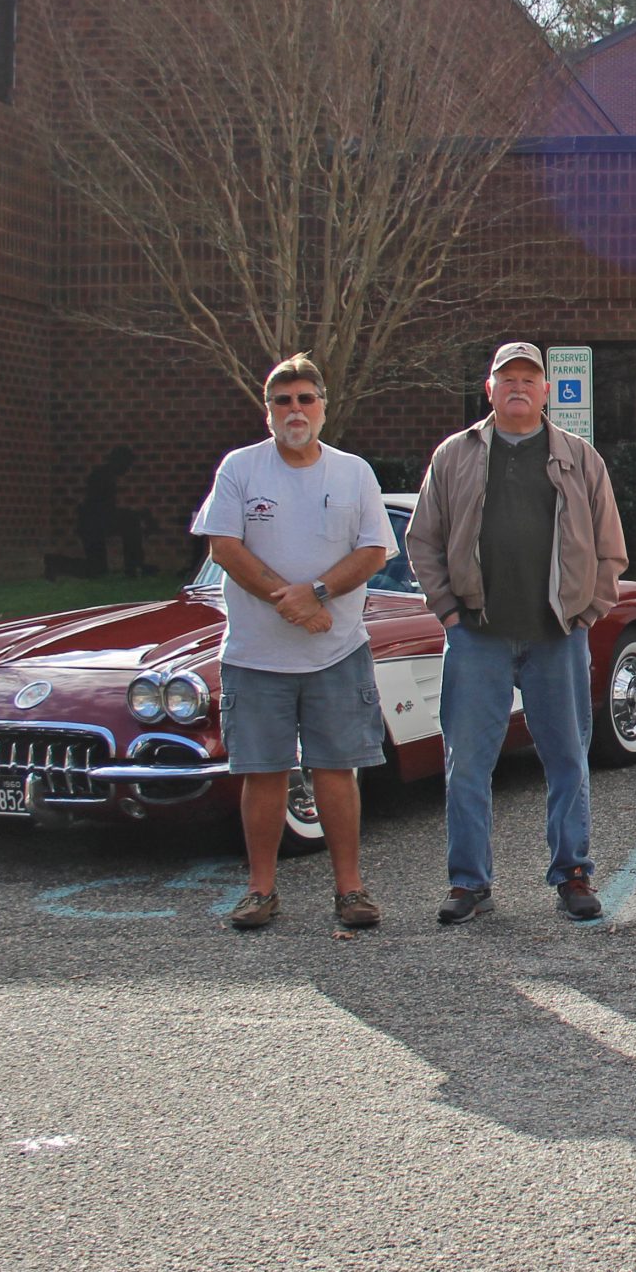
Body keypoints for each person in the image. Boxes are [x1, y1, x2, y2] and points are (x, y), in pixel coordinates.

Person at [407, 341, 628, 925]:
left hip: (557, 636)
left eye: (530, 379)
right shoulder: (455, 455)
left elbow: (611, 549)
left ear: (546, 391)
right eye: (508, 379)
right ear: (490, 389)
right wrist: (448, 612)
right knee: (468, 764)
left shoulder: (581, 459)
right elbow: (423, 540)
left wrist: (588, 610)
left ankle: (573, 872)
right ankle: (468, 882)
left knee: (567, 760)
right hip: (477, 635)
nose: (519, 388)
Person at [190, 354, 397, 932]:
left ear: (323, 408)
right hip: (256, 657)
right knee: (265, 772)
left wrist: (320, 593)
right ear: (269, 412)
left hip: (336, 652)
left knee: (336, 770)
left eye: (306, 399)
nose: (295, 410)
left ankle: (350, 889)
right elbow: (223, 547)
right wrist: (291, 599)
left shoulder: (353, 472)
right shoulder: (241, 468)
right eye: (283, 401)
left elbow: (374, 551)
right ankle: (261, 891)